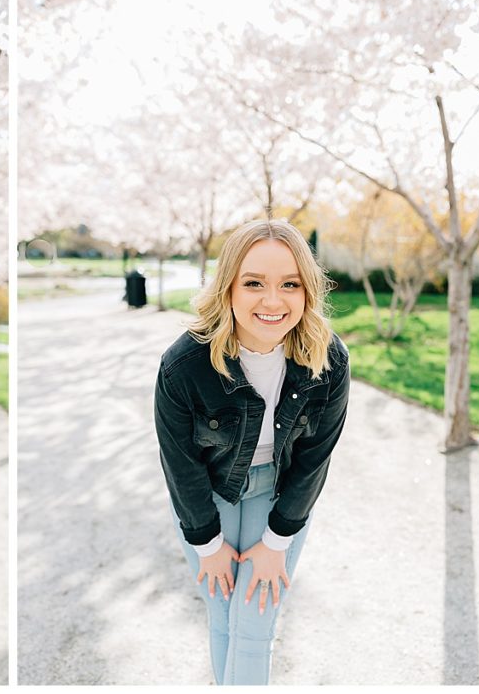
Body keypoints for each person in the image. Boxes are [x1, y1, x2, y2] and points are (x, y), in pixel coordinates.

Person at [154, 218, 350, 685]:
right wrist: (207, 543)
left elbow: (313, 462)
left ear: (308, 290)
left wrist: (277, 542)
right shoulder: (183, 367)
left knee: (254, 622)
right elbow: (179, 466)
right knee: (224, 616)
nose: (272, 301)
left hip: (279, 496)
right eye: (254, 283)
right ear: (227, 289)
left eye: (290, 284)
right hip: (209, 498)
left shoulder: (329, 360)